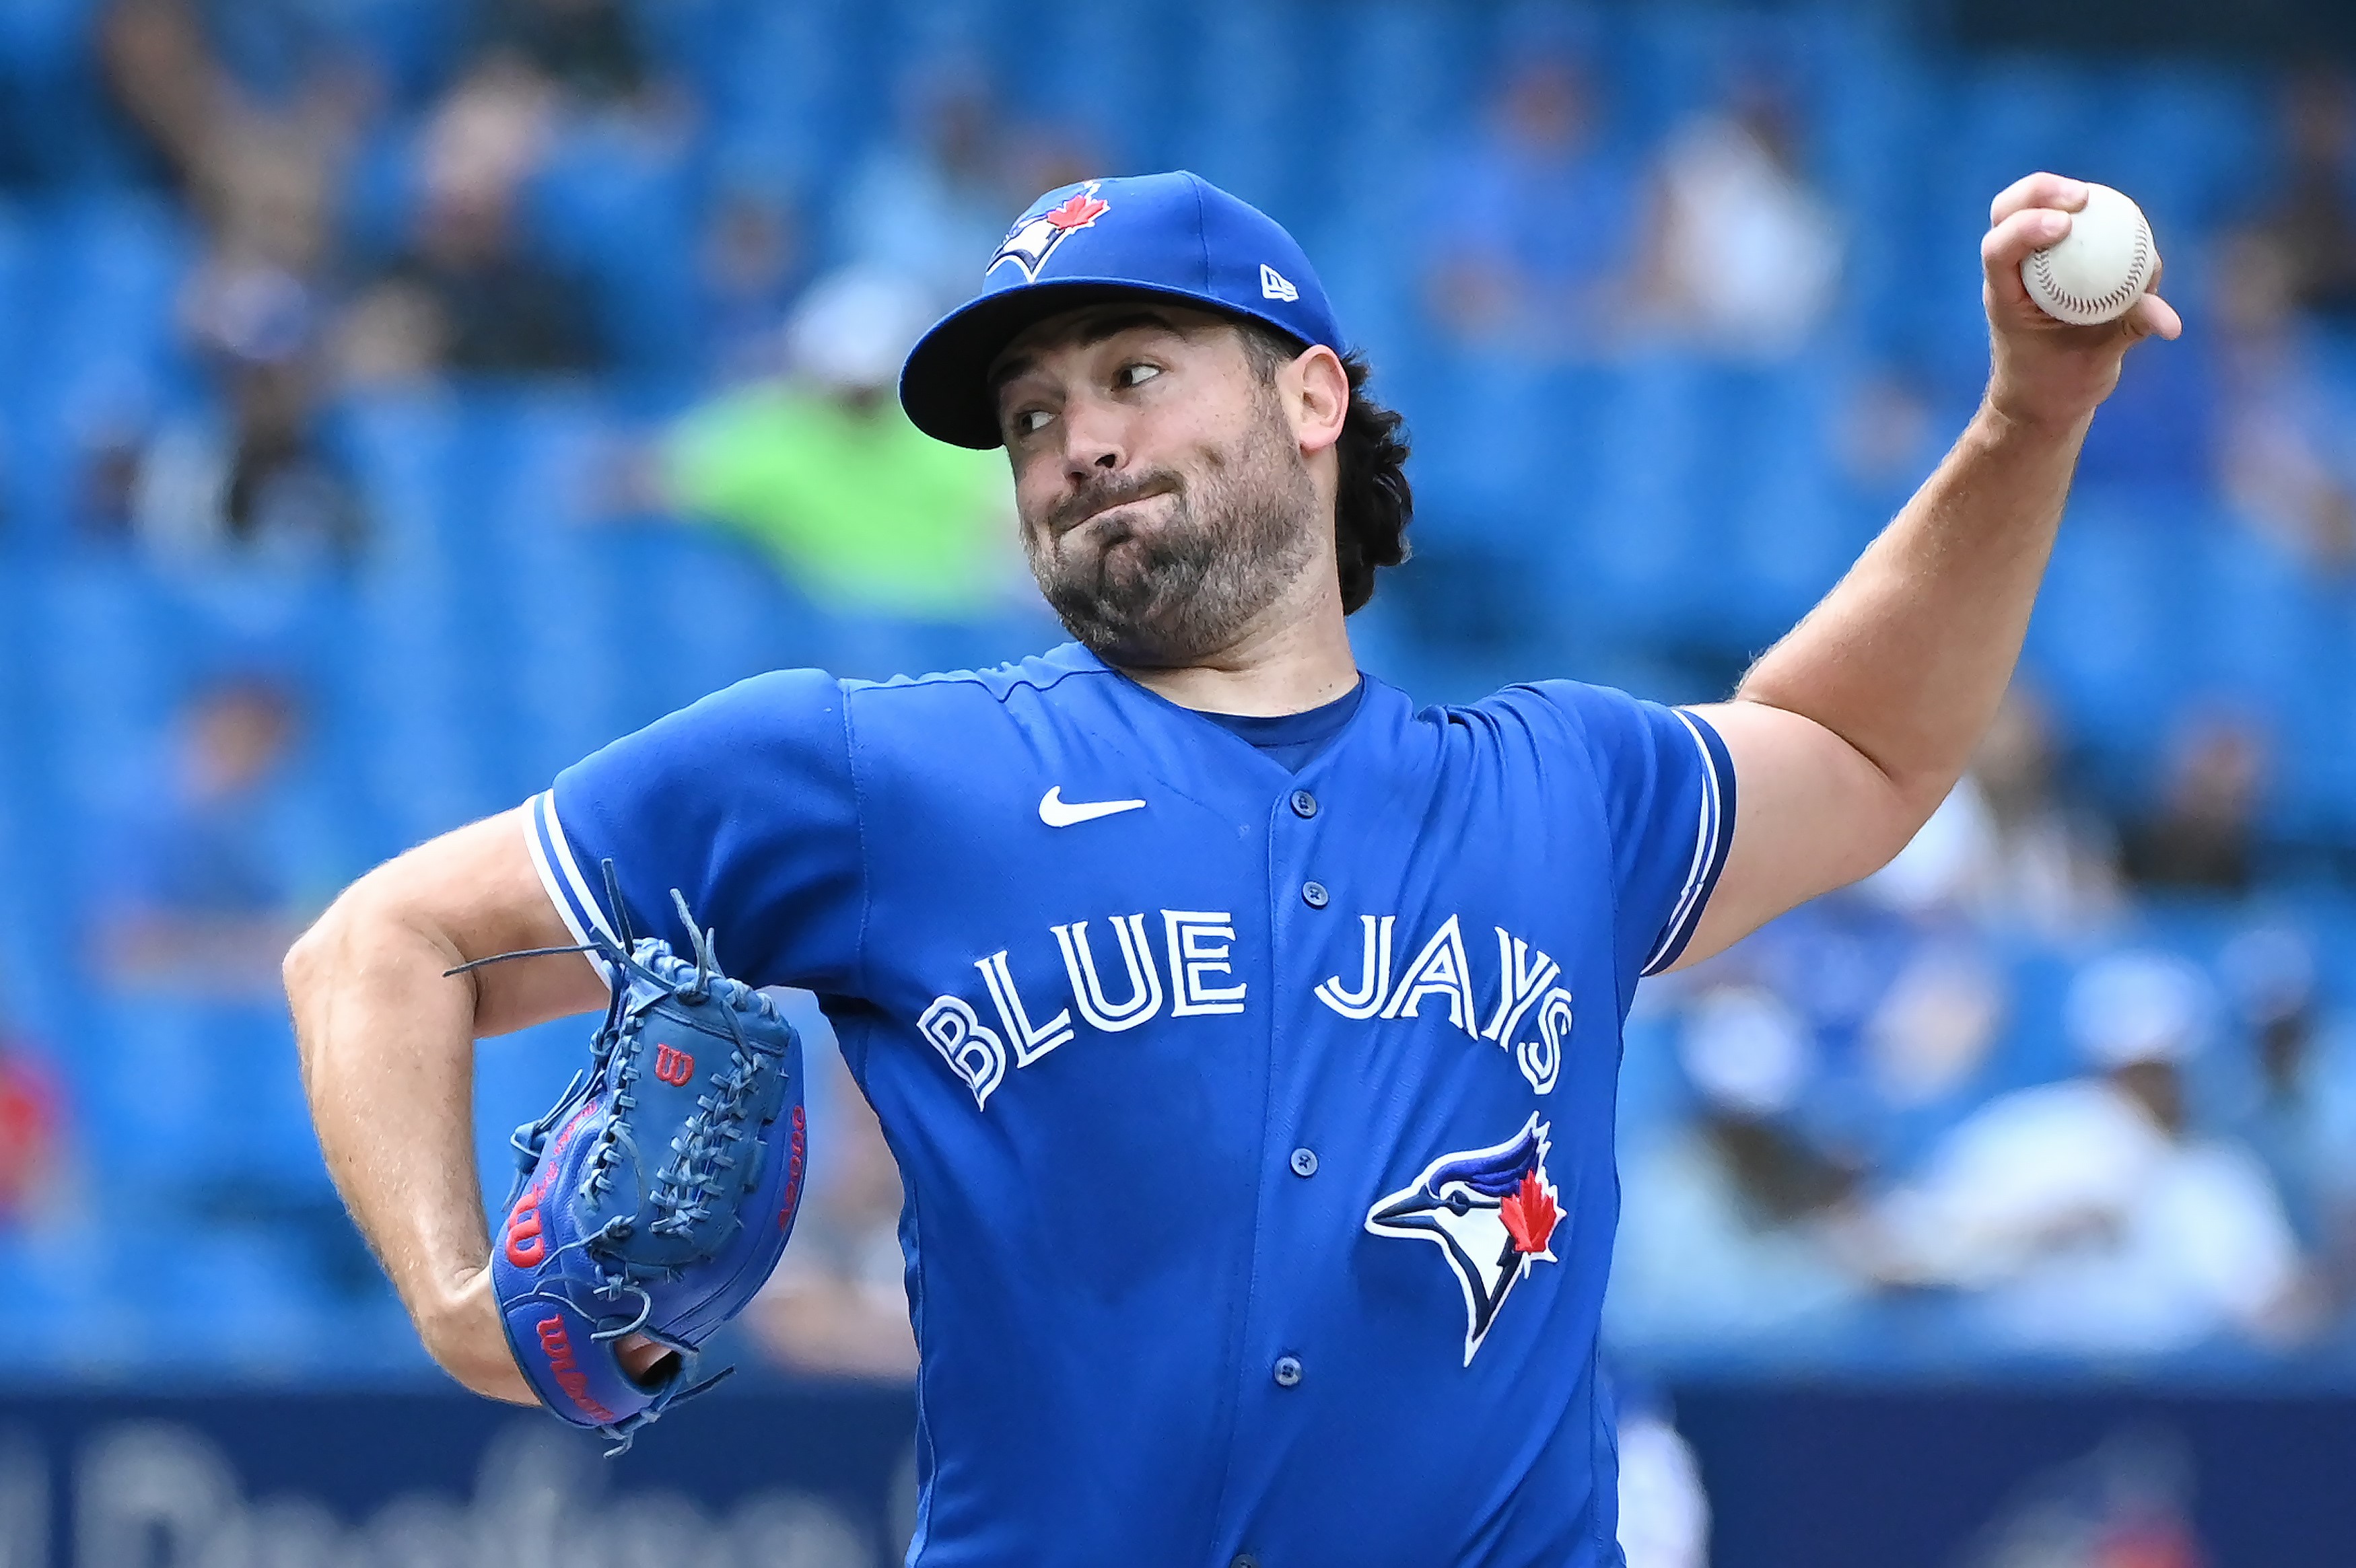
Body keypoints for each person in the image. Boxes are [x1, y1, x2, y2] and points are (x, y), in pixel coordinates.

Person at [285, 168, 2178, 1564]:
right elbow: (385, 947)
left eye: (1130, 370)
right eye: (1031, 418)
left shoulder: (1557, 791)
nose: (1074, 442)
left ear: (1310, 394)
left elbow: (1860, 749)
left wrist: (2027, 418)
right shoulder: (875, 770)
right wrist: (461, 1299)